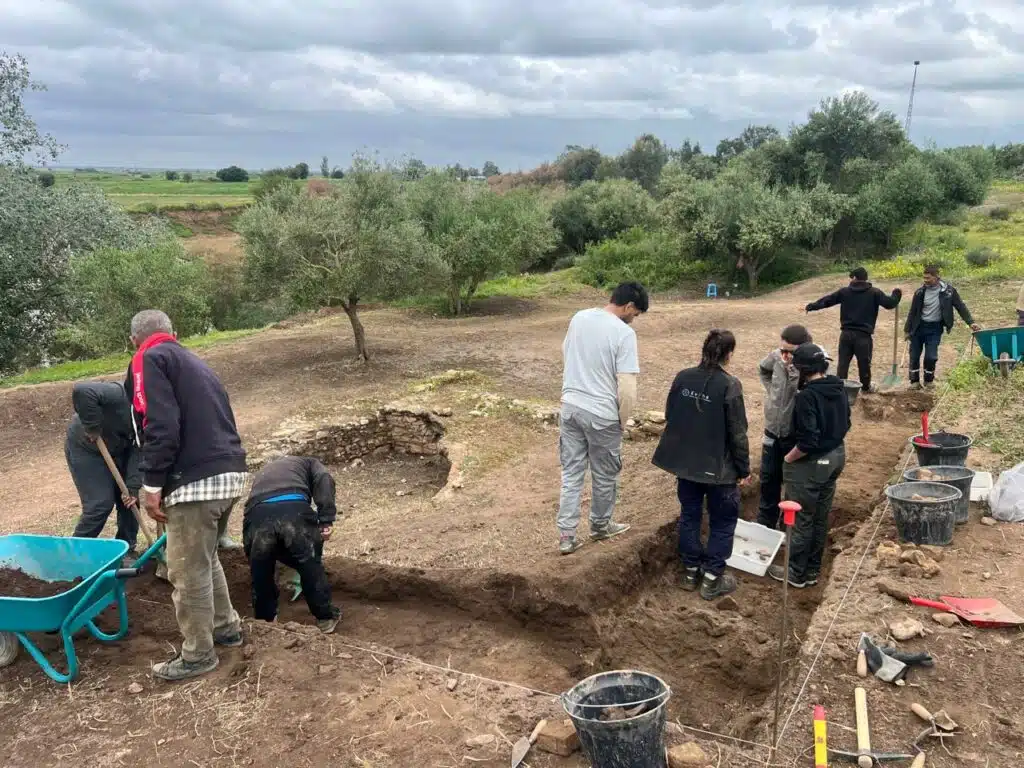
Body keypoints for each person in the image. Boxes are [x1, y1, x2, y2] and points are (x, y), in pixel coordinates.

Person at [128, 310, 249, 682]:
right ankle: (226, 627)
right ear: (173, 333)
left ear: (134, 340)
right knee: (205, 558)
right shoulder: (194, 361)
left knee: (184, 569)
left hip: (194, 480)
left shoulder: (148, 359)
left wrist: (152, 484)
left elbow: (160, 425)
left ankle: (198, 655)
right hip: (228, 473)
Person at [652, 329, 750, 601]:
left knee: (690, 516)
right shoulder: (730, 385)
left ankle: (689, 572)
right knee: (722, 521)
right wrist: (744, 469)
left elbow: (671, 413)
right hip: (719, 470)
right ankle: (711, 579)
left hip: (687, 466)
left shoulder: (683, 377)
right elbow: (738, 432)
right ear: (729, 354)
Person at [557, 282, 648, 555]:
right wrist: (622, 420)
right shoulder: (624, 333)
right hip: (602, 414)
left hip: (570, 407)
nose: (634, 319)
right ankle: (600, 526)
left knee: (571, 474)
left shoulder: (579, 317)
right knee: (605, 475)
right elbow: (627, 386)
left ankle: (566, 536)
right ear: (629, 306)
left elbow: (565, 352)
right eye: (636, 313)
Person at [768, 343, 850, 589]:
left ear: (802, 370)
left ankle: (795, 572)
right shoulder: (837, 386)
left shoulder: (806, 397)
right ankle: (812, 569)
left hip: (812, 463)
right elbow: (846, 423)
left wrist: (788, 459)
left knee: (802, 518)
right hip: (836, 456)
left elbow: (808, 441)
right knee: (820, 516)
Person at [243, 456, 343, 633]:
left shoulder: (267, 470)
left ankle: (266, 622)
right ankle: (325, 619)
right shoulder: (312, 463)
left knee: (261, 571)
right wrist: (326, 520)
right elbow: (324, 480)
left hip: (257, 515)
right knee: (310, 565)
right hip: (293, 509)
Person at [64, 382, 140, 556]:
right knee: (100, 504)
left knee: (129, 498)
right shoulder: (119, 395)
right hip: (87, 448)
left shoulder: (155, 417)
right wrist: (92, 426)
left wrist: (133, 485)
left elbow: (140, 450)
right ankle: (75, 555)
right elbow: (83, 390)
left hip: (121, 447)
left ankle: (127, 549)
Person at [804, 267, 901, 393]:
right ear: (866, 278)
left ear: (854, 278)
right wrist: (897, 293)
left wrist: (811, 306)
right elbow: (890, 303)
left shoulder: (845, 292)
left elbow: (827, 300)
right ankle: (866, 388)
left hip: (846, 334)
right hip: (863, 336)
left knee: (843, 363)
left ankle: (839, 389)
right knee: (864, 364)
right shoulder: (874, 292)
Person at [756, 325, 813, 530]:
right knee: (769, 478)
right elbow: (762, 369)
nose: (785, 355)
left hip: (794, 434)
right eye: (783, 350)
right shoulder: (775, 357)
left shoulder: (810, 364)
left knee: (792, 481)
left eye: (791, 351)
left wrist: (792, 371)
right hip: (772, 429)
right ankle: (765, 523)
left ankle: (787, 526)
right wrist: (772, 391)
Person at [904, 265, 980, 389]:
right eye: (924, 278)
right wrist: (907, 330)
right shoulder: (920, 292)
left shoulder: (949, 292)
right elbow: (912, 312)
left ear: (937, 277)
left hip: (935, 328)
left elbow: (960, 306)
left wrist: (970, 322)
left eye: (928, 278)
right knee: (914, 355)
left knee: (931, 356)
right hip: (918, 327)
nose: (925, 280)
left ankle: (928, 381)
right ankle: (914, 382)